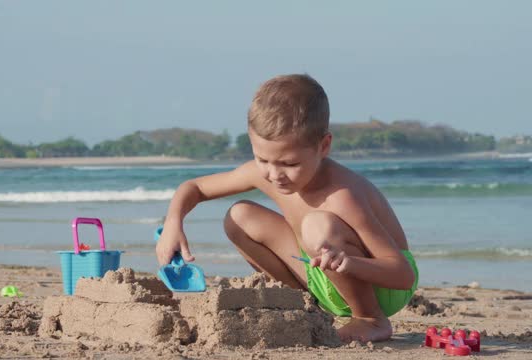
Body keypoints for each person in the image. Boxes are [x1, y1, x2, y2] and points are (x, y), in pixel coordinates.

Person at [155, 74, 418, 342]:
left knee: (316, 225)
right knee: (238, 216)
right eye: (262, 159)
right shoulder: (267, 171)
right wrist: (174, 223)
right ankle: (301, 305)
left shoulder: (343, 196)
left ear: (323, 146)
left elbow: (403, 275)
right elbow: (195, 188)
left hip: (381, 287)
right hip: (323, 276)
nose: (274, 174)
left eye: (290, 164)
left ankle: (370, 320)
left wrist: (350, 263)